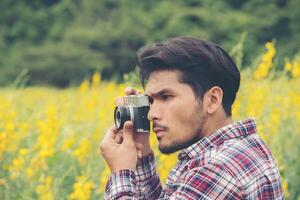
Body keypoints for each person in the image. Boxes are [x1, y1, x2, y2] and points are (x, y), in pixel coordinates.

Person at [100, 37, 283, 199]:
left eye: (166, 97)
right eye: (150, 101)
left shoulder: (217, 170)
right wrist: (141, 151)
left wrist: (121, 173)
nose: (151, 114)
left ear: (212, 100)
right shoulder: (241, 148)